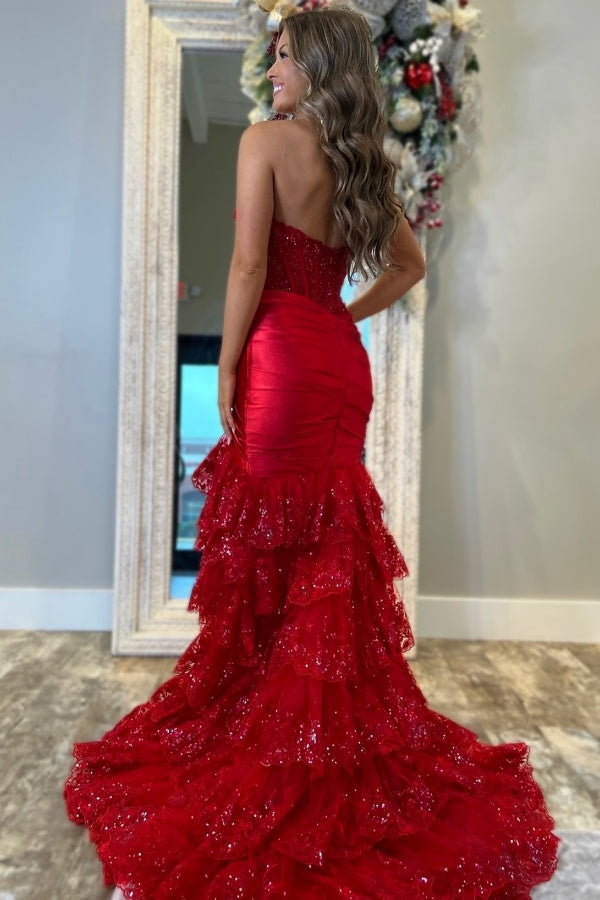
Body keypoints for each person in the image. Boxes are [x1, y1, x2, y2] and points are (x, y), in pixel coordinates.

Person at [64, 8, 559, 897]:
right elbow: (409, 265)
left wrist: (225, 364)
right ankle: (315, 728)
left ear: (320, 64)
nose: (273, 70)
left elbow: (248, 267)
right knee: (328, 539)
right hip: (335, 357)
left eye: (286, 57)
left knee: (271, 540)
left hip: (282, 359)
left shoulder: (264, 140)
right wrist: (341, 315)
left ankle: (278, 729)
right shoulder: (361, 159)